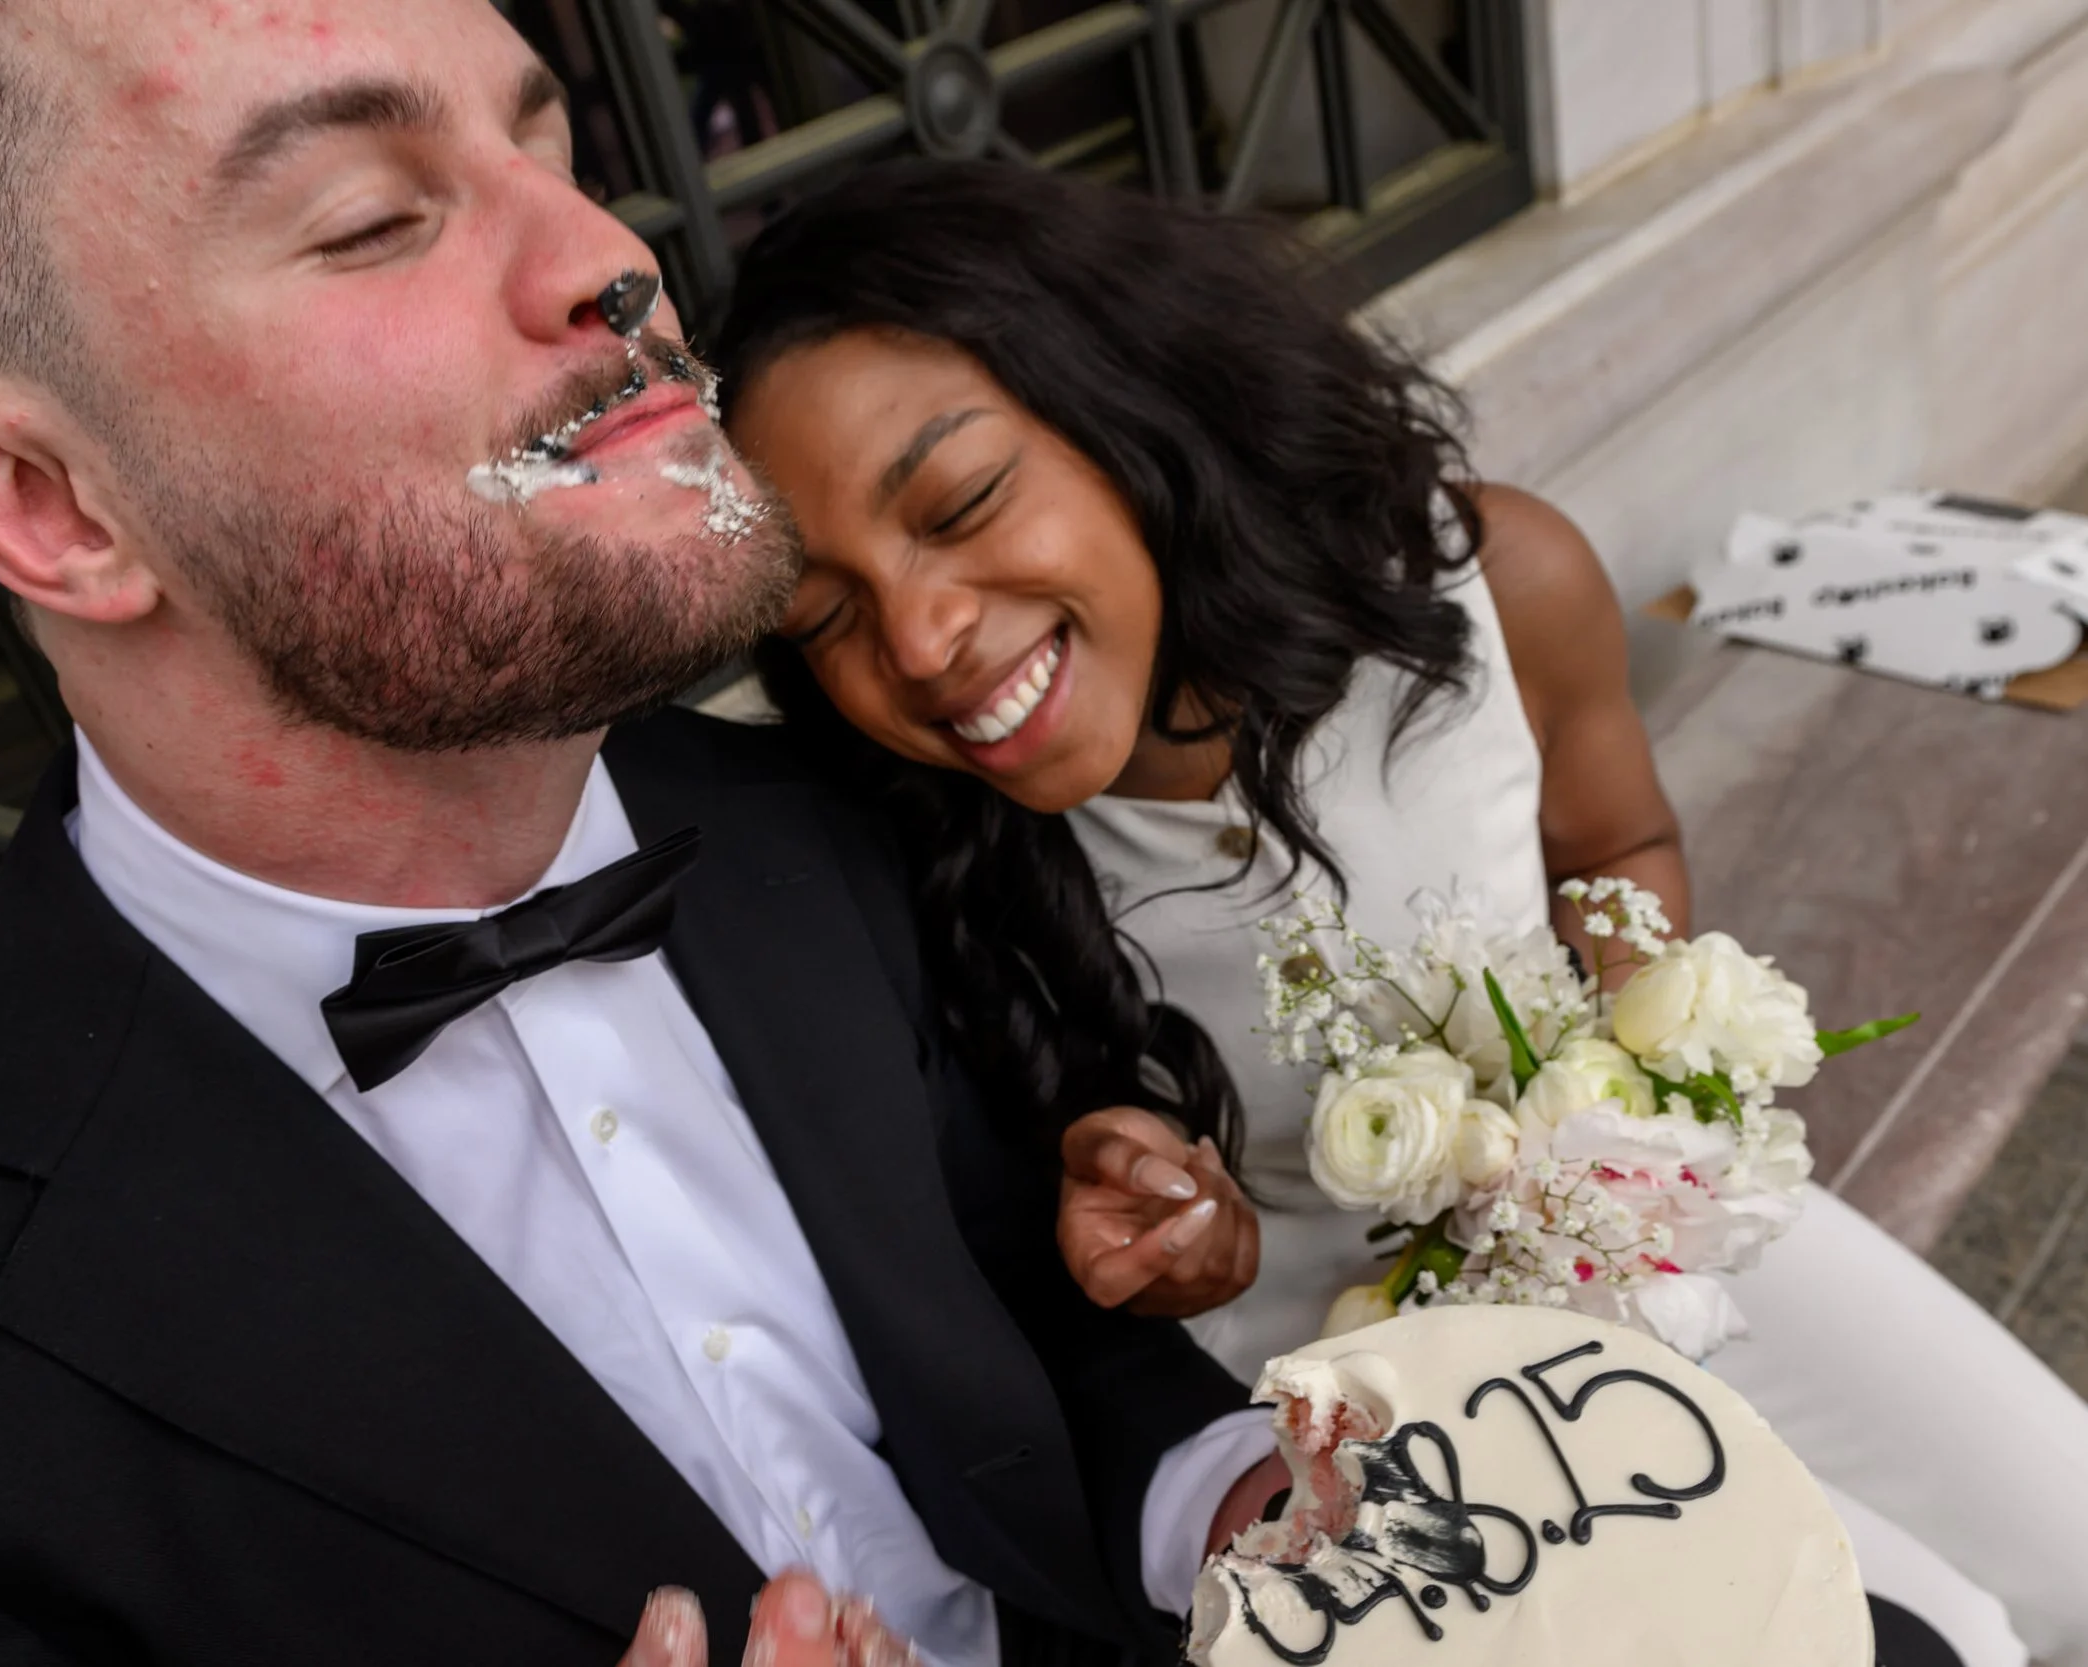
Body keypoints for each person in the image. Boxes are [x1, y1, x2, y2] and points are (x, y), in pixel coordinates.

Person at [0, 7, 1297, 1662]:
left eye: (545, 140)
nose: (607, 260)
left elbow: (1029, 1346)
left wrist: (1223, 1496)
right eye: (373, 218)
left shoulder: (831, 813)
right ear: (46, 501)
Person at [714, 158, 2088, 1667]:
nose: (918, 637)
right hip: (1353, 1380)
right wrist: (1166, 1235)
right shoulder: (923, 865)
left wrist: (1626, 1044)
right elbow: (1044, 1246)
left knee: (2066, 1528)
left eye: (964, 500)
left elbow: (1616, 834)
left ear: (1126, 405)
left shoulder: (1490, 580)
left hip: (1631, 1228)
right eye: (825, 618)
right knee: (1908, 1634)